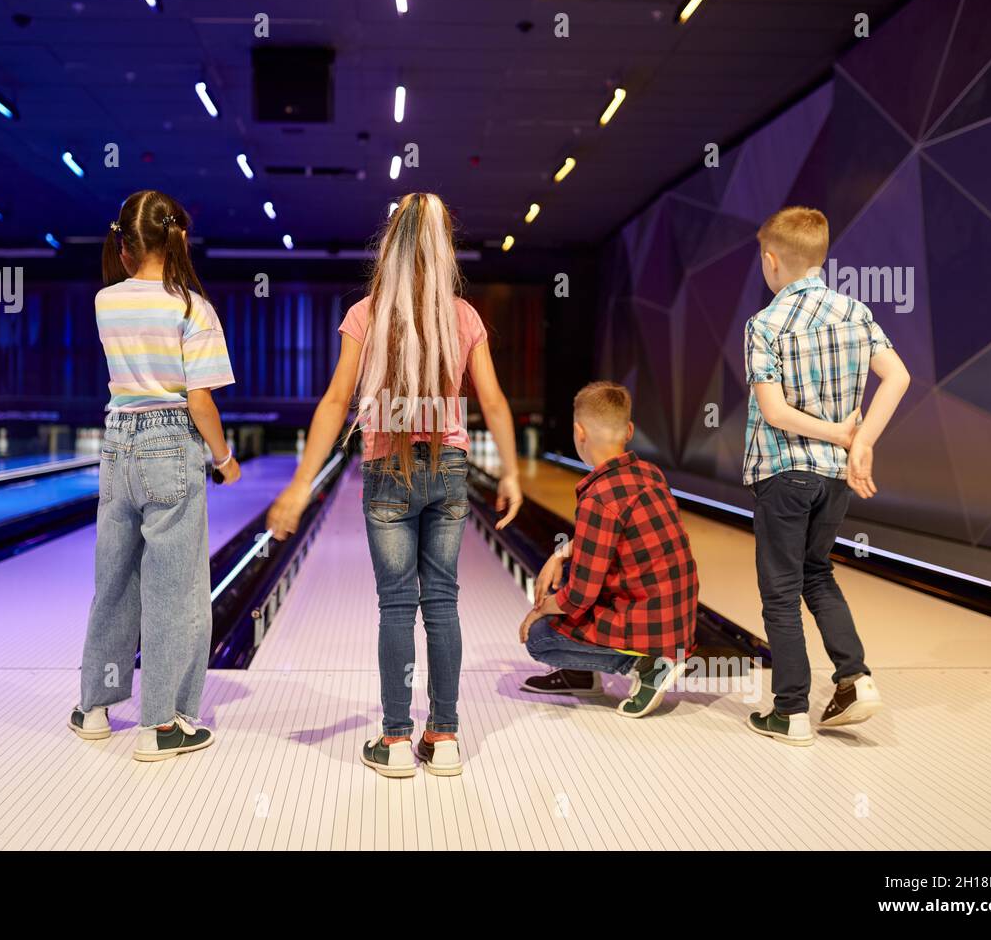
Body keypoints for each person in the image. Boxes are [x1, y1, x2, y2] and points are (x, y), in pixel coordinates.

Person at [266, 193, 523, 778]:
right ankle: (448, 735)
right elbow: (494, 401)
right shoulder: (464, 315)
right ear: (442, 247)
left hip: (388, 470)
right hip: (451, 468)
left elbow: (336, 401)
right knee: (443, 603)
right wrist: (509, 469)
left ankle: (397, 740)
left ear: (391, 244)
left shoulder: (366, 313)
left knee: (396, 606)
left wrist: (302, 484)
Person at [68, 189, 241, 762]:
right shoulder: (193, 308)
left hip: (118, 444)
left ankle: (95, 708)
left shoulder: (104, 301)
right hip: (172, 445)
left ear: (124, 245)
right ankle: (161, 725)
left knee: (113, 580)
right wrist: (224, 458)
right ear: (177, 239)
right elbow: (200, 403)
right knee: (177, 589)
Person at [742, 205, 910, 746]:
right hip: (833, 479)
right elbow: (898, 377)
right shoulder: (856, 312)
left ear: (771, 261)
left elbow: (773, 412)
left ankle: (789, 712)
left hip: (783, 470)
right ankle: (853, 679)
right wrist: (860, 441)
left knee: (781, 591)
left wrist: (841, 435)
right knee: (818, 575)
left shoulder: (764, 324)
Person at [519, 382, 698, 718]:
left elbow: (579, 597)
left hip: (656, 631)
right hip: (678, 622)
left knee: (539, 637)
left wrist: (540, 611)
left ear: (578, 432)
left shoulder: (599, 497)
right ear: (629, 430)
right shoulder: (651, 473)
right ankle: (582, 675)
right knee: (575, 569)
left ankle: (647, 665)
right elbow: (601, 543)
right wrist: (560, 554)